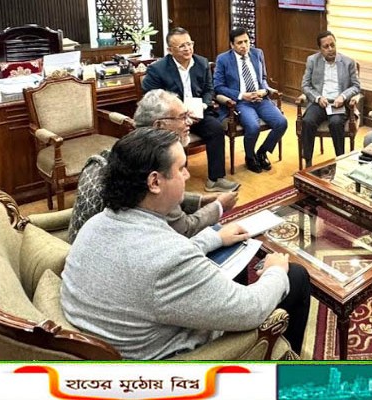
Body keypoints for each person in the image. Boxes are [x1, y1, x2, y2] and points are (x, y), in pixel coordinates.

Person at [61, 127, 311, 360]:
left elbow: (156, 260)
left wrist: (214, 238)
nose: (188, 175)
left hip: (123, 340)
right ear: (154, 182)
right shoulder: (168, 258)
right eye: (181, 168)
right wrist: (276, 271)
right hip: (176, 364)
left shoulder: (94, 226)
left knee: (230, 254)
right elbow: (251, 310)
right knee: (296, 276)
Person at [67, 90, 238, 243]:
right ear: (159, 125)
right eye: (182, 117)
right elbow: (184, 230)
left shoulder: (126, 148)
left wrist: (201, 200)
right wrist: (219, 206)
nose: (189, 122)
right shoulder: (151, 163)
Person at [142, 27, 239, 192]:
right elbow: (152, 98)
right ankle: (173, 182)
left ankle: (215, 180)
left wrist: (203, 105)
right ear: (170, 50)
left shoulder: (202, 63)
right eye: (182, 46)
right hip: (172, 118)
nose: (187, 49)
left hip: (198, 113)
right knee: (172, 138)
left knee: (216, 129)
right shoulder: (157, 69)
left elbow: (209, 90)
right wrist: (176, 112)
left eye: (189, 44)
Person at [214, 27, 287, 173]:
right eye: (239, 43)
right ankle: (250, 157)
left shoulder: (257, 53)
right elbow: (218, 86)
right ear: (232, 45)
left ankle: (262, 152)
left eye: (246, 41)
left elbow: (263, 78)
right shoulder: (223, 59)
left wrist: (264, 90)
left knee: (281, 122)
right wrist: (242, 95)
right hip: (241, 102)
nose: (244, 46)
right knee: (253, 127)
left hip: (260, 99)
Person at [300, 30, 361, 167]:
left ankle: (341, 160)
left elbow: (356, 86)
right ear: (320, 49)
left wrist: (343, 96)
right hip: (320, 102)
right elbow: (305, 85)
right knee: (308, 121)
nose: (330, 49)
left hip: (339, 104)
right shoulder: (312, 61)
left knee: (335, 123)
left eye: (332, 45)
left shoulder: (348, 62)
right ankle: (308, 161)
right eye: (326, 46)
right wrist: (317, 98)